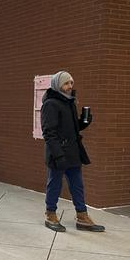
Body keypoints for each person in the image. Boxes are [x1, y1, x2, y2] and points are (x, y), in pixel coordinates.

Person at [41, 70, 104, 232]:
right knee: (54, 184)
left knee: (77, 185)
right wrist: (58, 155)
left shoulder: (69, 102)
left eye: (71, 83)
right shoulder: (51, 104)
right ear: (58, 85)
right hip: (58, 153)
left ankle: (82, 216)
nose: (70, 86)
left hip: (73, 152)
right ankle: (50, 214)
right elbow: (49, 132)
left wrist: (83, 122)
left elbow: (71, 129)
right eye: (66, 83)